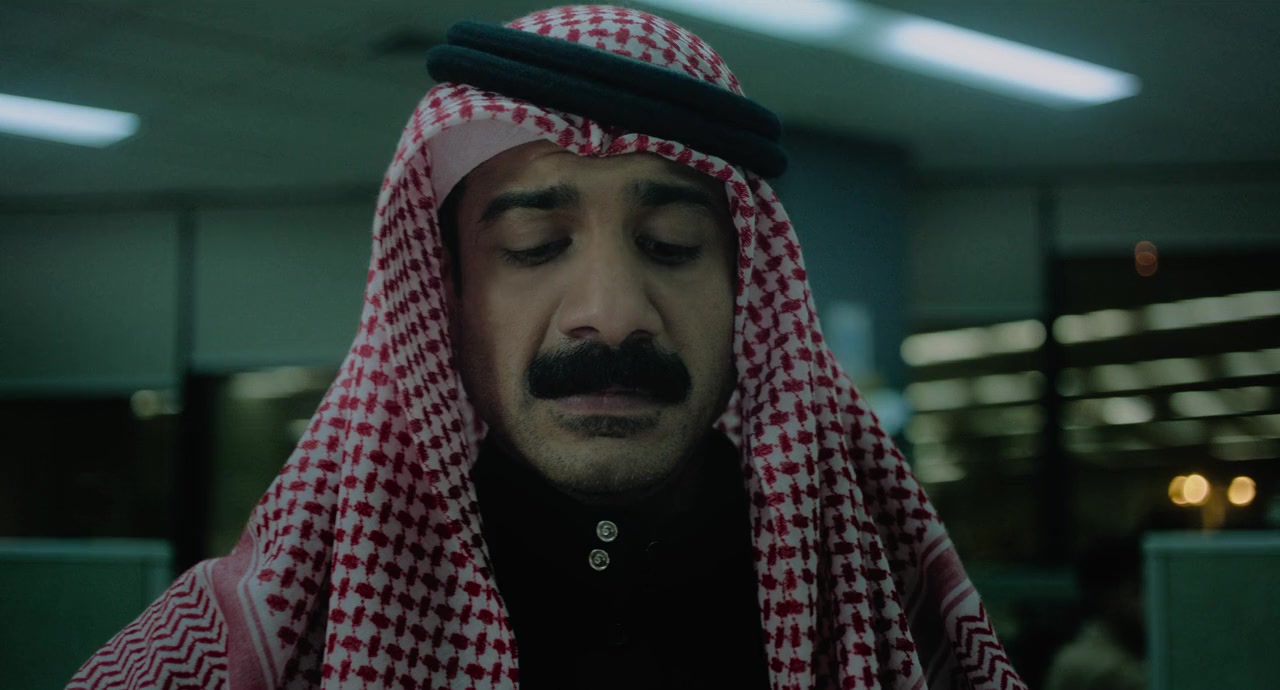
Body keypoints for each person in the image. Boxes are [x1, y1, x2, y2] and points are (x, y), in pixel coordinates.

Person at [70, 6, 1024, 689]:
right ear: (445, 300)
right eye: (533, 246)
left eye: (672, 246)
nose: (611, 316)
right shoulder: (245, 640)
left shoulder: (874, 612)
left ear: (746, 294)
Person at [1044, 536, 1147, 690]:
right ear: (1107, 598)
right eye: (1137, 592)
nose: (1148, 602)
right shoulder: (1085, 664)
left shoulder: (1133, 651)